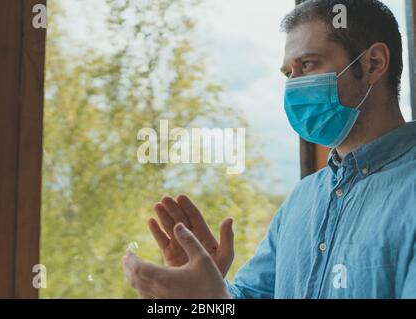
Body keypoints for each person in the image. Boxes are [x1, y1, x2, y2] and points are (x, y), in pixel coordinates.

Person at [122, 0, 416, 299]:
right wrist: (203, 290)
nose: (293, 85)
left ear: (374, 63)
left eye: (308, 64)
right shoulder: (302, 200)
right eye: (288, 73)